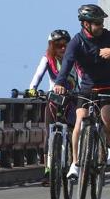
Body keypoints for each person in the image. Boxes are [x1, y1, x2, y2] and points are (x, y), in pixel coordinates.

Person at [54, 4, 110, 179]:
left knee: (107, 118)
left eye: (101, 22)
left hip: (108, 86)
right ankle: (76, 163)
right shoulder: (76, 42)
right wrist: (60, 82)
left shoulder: (109, 36)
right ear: (86, 24)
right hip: (86, 89)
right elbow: (67, 63)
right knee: (79, 121)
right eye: (97, 23)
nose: (101, 26)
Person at [26, 29, 76, 186]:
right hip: (54, 98)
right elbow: (38, 75)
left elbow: (82, 73)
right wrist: (32, 88)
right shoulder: (47, 58)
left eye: (65, 45)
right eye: (58, 45)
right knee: (49, 133)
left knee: (76, 130)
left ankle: (77, 164)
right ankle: (48, 170)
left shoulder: (75, 58)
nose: (62, 48)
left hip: (72, 97)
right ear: (52, 46)